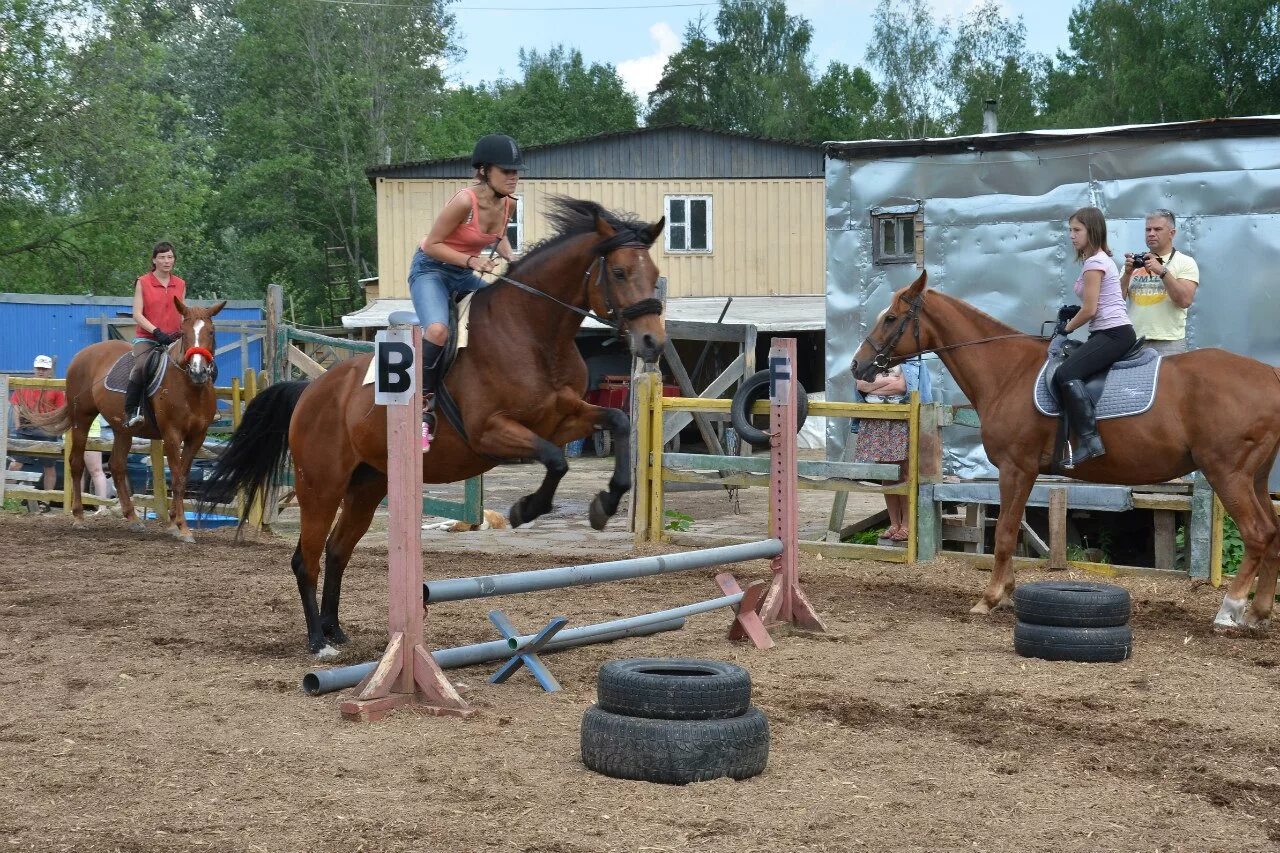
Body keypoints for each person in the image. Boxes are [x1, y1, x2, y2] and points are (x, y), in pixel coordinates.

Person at [408, 133, 522, 450]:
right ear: (484, 170)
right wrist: (472, 260)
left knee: (501, 314)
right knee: (438, 330)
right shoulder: (463, 202)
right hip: (430, 270)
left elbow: (498, 237)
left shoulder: (508, 204)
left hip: (463, 273)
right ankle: (422, 409)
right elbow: (432, 245)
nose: (513, 177)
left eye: (516, 171)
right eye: (506, 171)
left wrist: (511, 257)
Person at [1052, 206, 1137, 467]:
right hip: (1106, 331)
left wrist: (1065, 329)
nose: (1071, 236)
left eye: (1077, 230)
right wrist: (1073, 311)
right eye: (1070, 230)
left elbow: (1091, 309)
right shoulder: (1098, 259)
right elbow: (1098, 304)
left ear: (1093, 231)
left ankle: (1090, 442)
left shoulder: (1095, 262)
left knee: (1065, 374)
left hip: (1114, 334)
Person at [853, 359, 933, 542]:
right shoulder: (871, 357)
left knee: (904, 472)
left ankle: (907, 525)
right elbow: (861, 385)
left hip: (901, 419)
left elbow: (902, 387)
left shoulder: (911, 360)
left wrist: (875, 385)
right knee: (886, 473)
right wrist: (888, 383)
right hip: (877, 418)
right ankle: (894, 523)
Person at [1120, 209, 1199, 356]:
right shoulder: (1136, 263)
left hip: (1169, 342)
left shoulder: (1185, 262)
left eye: (1157, 229)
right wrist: (1126, 273)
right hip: (1134, 341)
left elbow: (1185, 300)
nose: (1151, 233)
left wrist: (1163, 272)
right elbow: (1116, 301)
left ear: (1172, 233)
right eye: (1148, 229)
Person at [125, 242, 186, 428]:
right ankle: (132, 411)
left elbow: (182, 312)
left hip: (174, 338)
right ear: (154, 260)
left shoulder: (181, 283)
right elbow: (137, 314)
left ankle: (204, 408)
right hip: (148, 338)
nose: (166, 261)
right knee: (142, 367)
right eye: (162, 257)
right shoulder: (143, 282)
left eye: (170, 257)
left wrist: (182, 332)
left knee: (199, 362)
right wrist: (156, 332)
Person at [8, 354, 67, 510]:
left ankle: (45, 501)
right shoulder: (24, 384)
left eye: (44, 369)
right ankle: (8, 497)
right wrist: (17, 424)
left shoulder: (55, 387)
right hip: (26, 429)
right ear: (34, 369)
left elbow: (60, 410)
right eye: (39, 368)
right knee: (16, 464)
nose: (41, 371)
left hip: (47, 430)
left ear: (49, 370)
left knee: (49, 466)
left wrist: (54, 428)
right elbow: (15, 405)